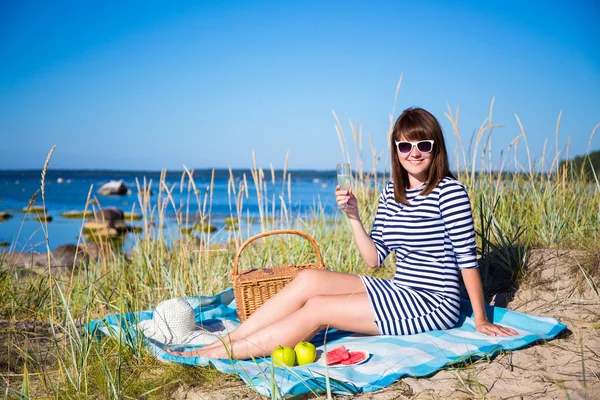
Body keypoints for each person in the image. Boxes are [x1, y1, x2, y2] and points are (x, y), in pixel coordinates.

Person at [169, 107, 517, 360]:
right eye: (405, 146)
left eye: (423, 145)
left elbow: (466, 260)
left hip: (433, 303)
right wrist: (353, 216)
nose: (414, 153)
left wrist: (481, 319)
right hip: (400, 289)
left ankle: (220, 353)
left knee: (318, 309)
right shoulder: (390, 195)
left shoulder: (449, 192)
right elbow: (373, 259)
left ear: (435, 148)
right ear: (396, 151)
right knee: (309, 280)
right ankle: (232, 339)